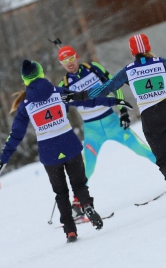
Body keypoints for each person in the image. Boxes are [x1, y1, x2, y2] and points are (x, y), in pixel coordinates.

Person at [0, 59, 133, 243]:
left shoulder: (26, 105)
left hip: (49, 153)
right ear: (41, 74)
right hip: (69, 145)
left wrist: (3, 159)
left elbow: (15, 135)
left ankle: (70, 230)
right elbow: (87, 99)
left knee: (60, 192)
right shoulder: (58, 93)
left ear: (25, 80)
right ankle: (87, 205)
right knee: (79, 184)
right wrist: (114, 100)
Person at [63, 34, 166, 207]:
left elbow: (105, 89)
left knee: (164, 158)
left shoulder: (128, 70)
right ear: (148, 47)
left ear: (132, 52)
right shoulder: (161, 62)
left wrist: (80, 95)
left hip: (150, 117)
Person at [56, 45, 157, 216]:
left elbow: (115, 85)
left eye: (71, 58)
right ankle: (78, 203)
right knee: (87, 167)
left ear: (77, 56)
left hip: (112, 122)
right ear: (61, 64)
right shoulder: (63, 85)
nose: (69, 63)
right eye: (64, 61)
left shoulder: (94, 68)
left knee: (141, 148)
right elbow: (62, 114)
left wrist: (123, 111)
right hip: (92, 130)